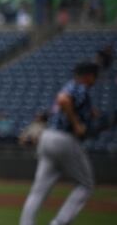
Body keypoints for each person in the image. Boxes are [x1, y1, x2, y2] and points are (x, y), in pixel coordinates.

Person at [19, 60, 103, 225]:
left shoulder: (69, 85)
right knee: (86, 185)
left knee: (38, 191)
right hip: (63, 139)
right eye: (94, 76)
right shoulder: (78, 86)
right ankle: (59, 222)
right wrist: (77, 123)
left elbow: (59, 106)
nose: (95, 79)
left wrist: (88, 114)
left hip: (47, 137)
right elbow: (64, 100)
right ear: (88, 76)